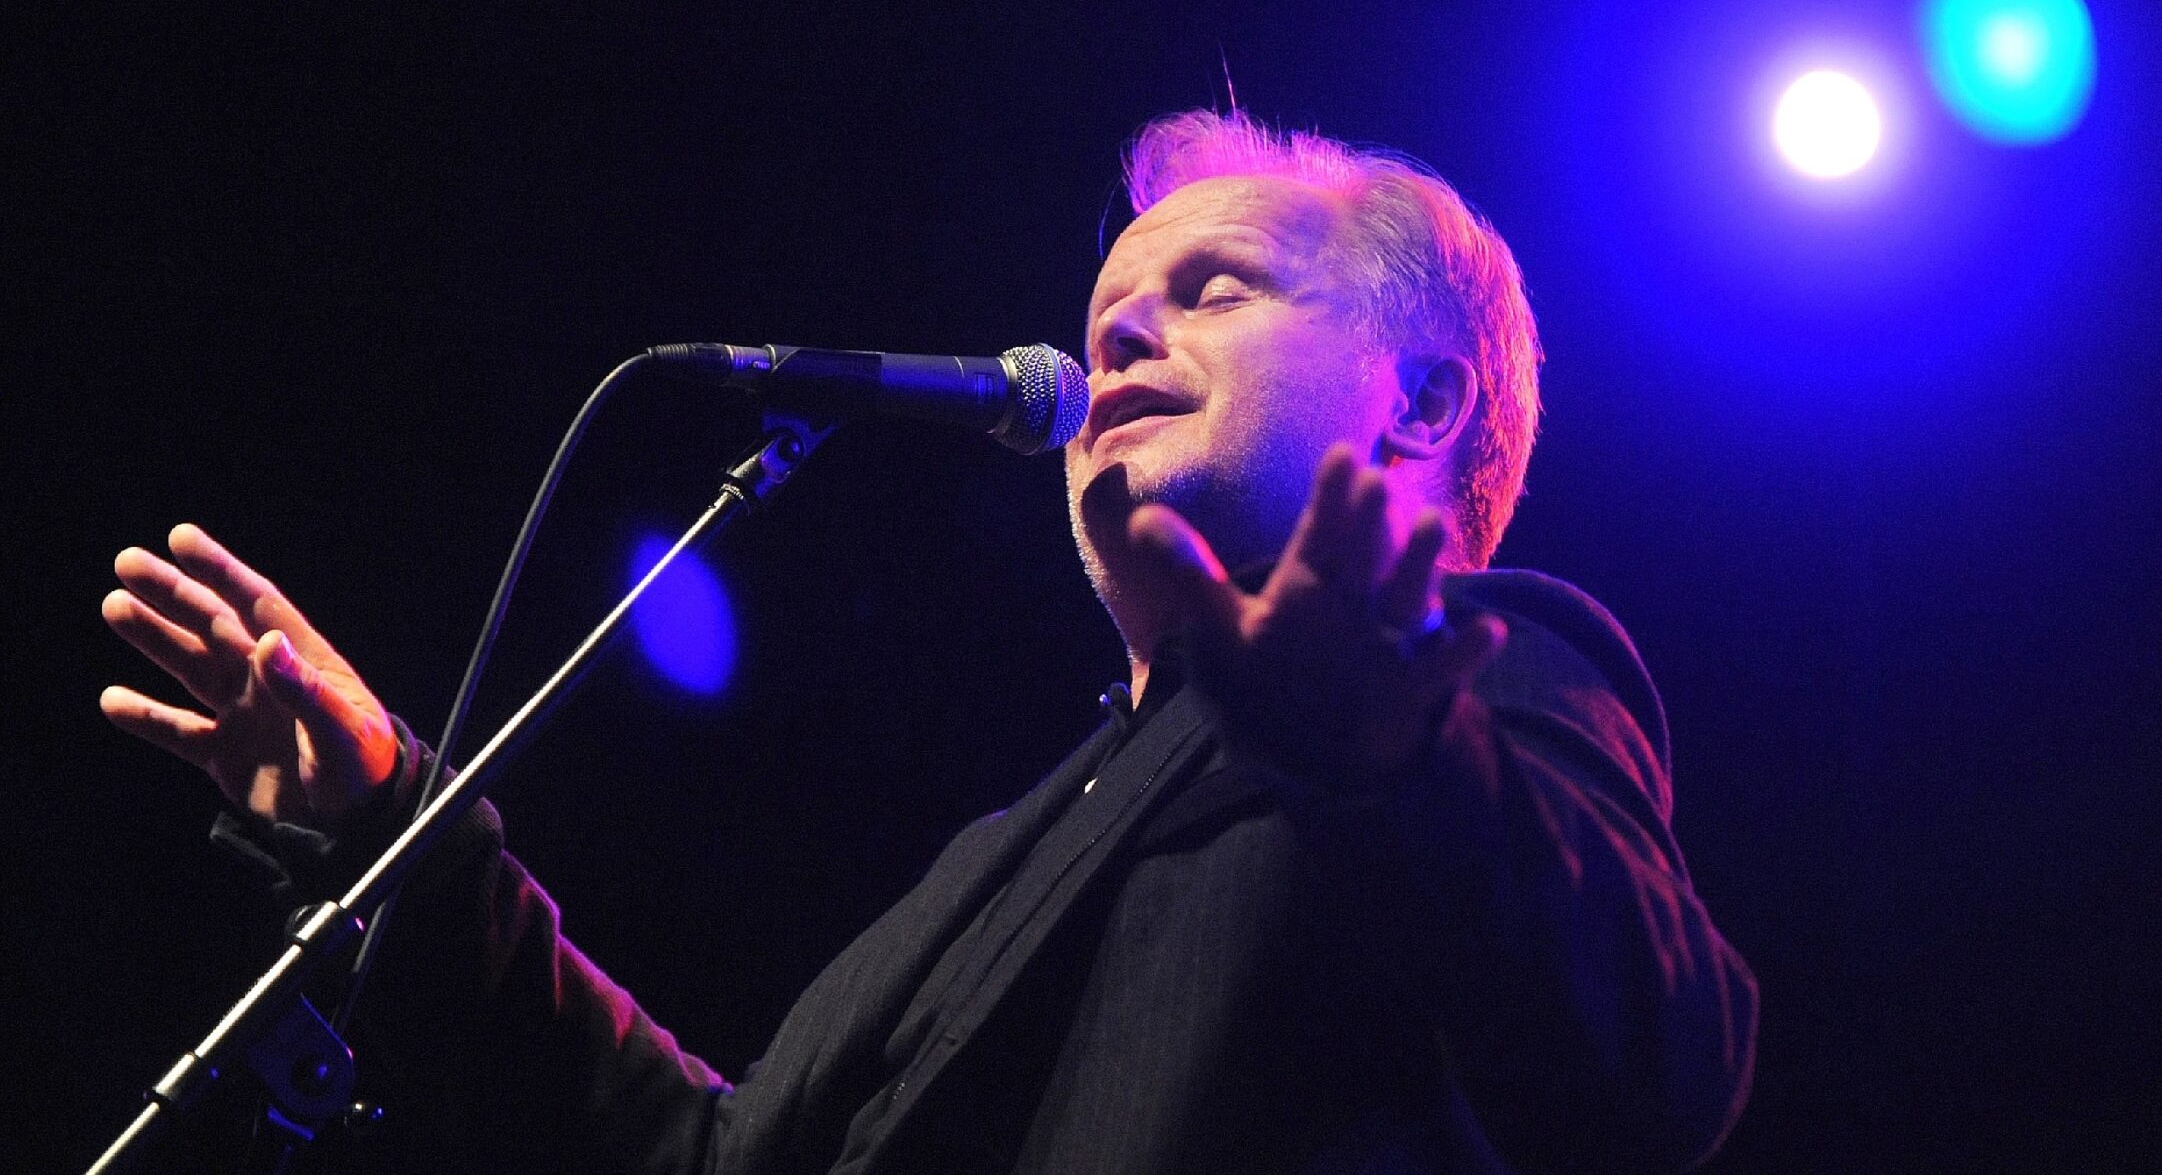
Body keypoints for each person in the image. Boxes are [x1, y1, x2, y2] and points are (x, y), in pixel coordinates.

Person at [100, 110, 1759, 1173]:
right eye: (1116, 309)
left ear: (1424, 398)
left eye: (1219, 289)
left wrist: (1399, 756)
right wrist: (390, 823)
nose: (1122, 332)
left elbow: (1659, 1069)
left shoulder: (1496, 664)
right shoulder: (1007, 842)